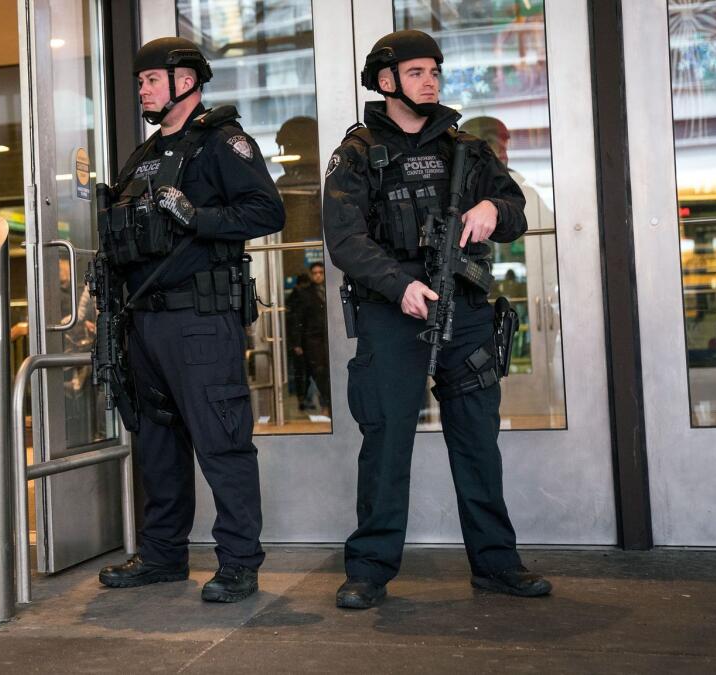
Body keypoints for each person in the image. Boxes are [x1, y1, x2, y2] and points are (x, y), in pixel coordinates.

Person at [323, 29, 552, 609]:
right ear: (386, 80)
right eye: (417, 72)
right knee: (386, 441)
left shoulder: (466, 149)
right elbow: (345, 239)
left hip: (466, 308)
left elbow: (517, 212)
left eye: (435, 72)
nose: (430, 81)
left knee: (477, 440)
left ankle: (497, 564)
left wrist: (491, 208)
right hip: (392, 311)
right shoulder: (356, 154)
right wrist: (400, 286)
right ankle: (370, 569)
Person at [95, 37, 285, 603]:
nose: (144, 89)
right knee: (157, 444)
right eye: (141, 81)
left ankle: (238, 562)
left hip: (200, 320)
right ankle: (162, 555)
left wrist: (197, 216)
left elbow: (267, 210)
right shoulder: (145, 154)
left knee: (221, 441)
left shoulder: (223, 143)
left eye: (153, 79)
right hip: (144, 321)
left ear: (186, 81)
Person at [286, 262, 330, 414]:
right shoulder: (305, 293)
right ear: (311, 275)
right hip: (312, 340)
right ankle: (326, 404)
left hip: (329, 338)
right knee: (319, 372)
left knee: (328, 371)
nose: (318, 275)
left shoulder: (330, 290)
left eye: (321, 272)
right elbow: (298, 319)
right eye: (315, 273)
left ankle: (327, 404)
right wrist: (297, 343)